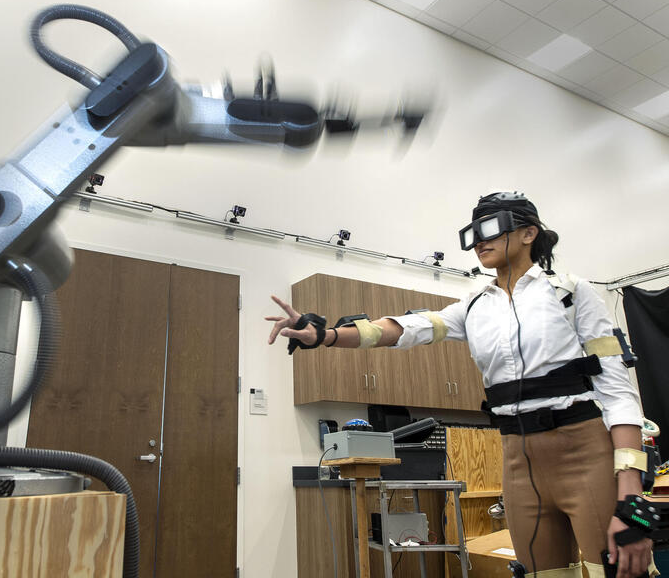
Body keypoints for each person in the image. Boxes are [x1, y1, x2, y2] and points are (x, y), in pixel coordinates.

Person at [266, 192, 655, 578]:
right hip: (520, 463)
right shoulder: (473, 307)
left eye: (491, 228)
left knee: (618, 570)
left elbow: (619, 393)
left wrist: (631, 494)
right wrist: (328, 335)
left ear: (528, 233)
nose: (479, 241)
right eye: (472, 233)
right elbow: (403, 328)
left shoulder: (570, 292)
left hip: (584, 453)